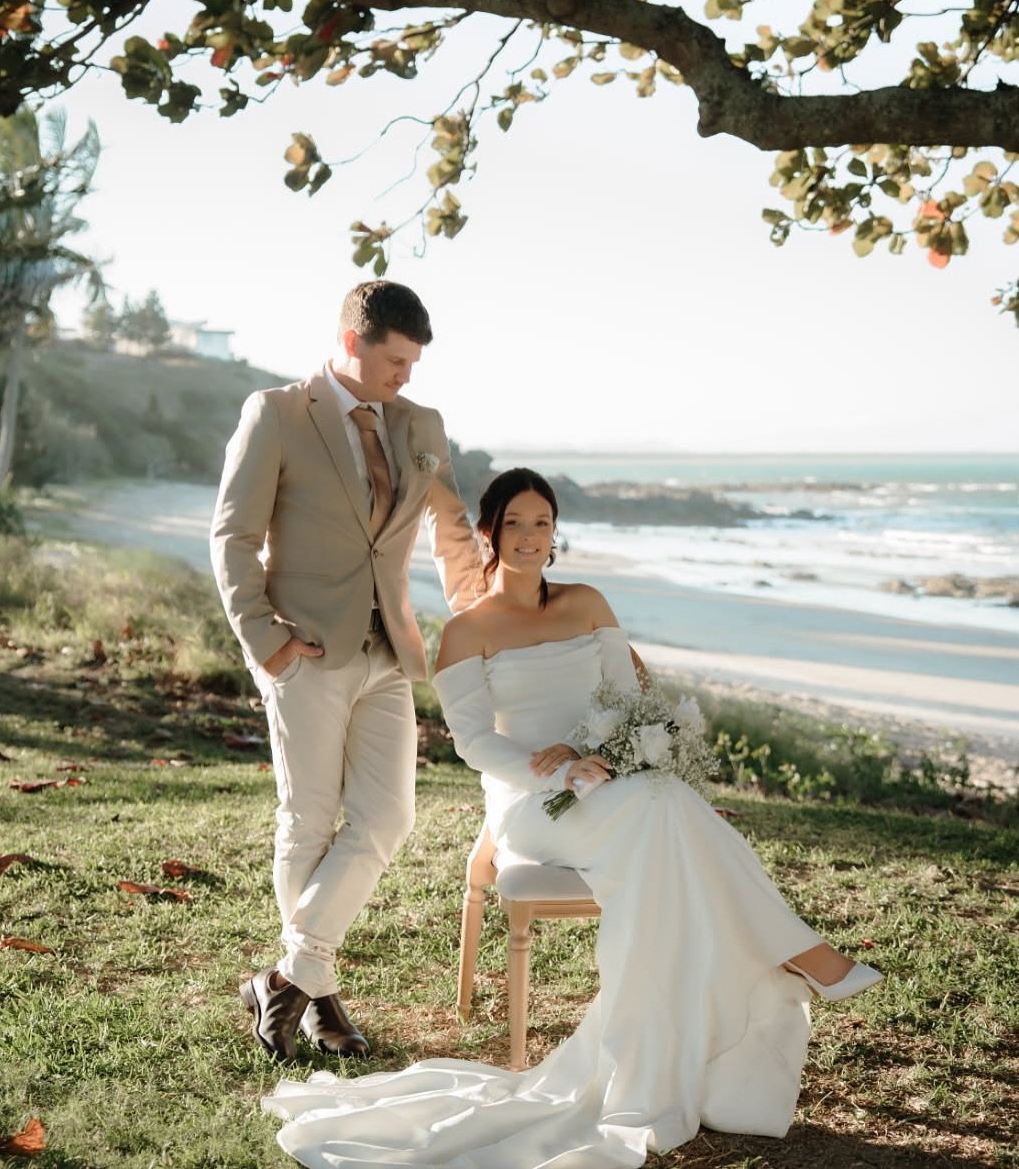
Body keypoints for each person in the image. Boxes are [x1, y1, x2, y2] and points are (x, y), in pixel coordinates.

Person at [260, 467, 882, 1169]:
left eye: (543, 523)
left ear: (556, 534)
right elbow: (474, 742)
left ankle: (748, 988)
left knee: (665, 807)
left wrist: (596, 753)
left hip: (614, 783)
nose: (530, 537)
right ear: (490, 532)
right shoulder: (465, 629)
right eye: (516, 523)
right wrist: (556, 768)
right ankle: (800, 953)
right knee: (668, 809)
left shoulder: (587, 602)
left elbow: (625, 698)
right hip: (532, 804)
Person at [210, 281, 484, 1064]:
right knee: (309, 819)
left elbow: (453, 530)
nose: (407, 375)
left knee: (388, 815)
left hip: (388, 652)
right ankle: (321, 1000)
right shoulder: (278, 414)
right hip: (307, 650)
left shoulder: (419, 424)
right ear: (353, 341)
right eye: (397, 359)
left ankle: (286, 977)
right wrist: (267, 639)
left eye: (414, 362)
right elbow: (232, 537)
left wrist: (489, 611)